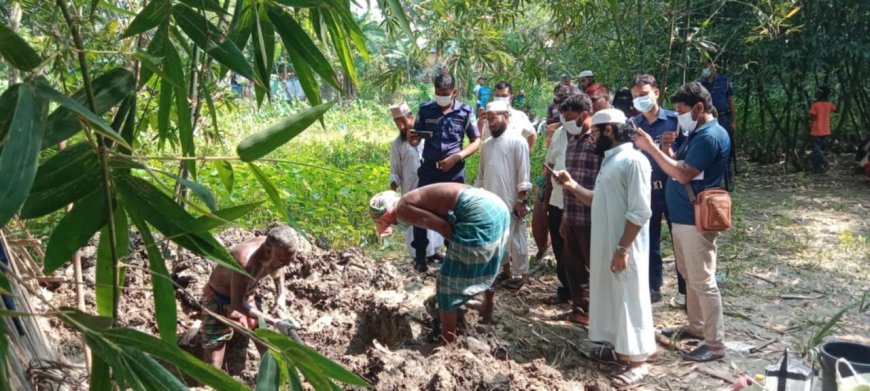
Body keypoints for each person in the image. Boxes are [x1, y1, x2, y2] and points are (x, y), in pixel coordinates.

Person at [553, 110, 655, 389]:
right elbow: (598, 200)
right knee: (611, 296)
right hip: (609, 246)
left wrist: (622, 249)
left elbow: (640, 211)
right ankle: (616, 346)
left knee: (629, 298)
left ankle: (638, 362)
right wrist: (571, 185)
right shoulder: (611, 162)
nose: (592, 139)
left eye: (595, 134)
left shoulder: (634, 161)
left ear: (608, 130)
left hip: (625, 247)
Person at [634, 82, 731, 362]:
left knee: (703, 280)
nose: (678, 116)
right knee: (690, 275)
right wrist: (667, 150)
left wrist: (652, 149)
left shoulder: (709, 136)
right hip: (683, 216)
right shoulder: (696, 133)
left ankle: (715, 344)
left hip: (694, 218)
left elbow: (685, 174)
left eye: (682, 111)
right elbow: (682, 164)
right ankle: (697, 326)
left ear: (699, 108)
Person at [369, 184, 510, 344]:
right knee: (490, 262)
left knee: (446, 284)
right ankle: (487, 308)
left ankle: (448, 341)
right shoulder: (411, 199)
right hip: (496, 207)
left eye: (388, 222)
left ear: (386, 215)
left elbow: (443, 227)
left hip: (478, 213)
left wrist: (456, 251)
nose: (393, 224)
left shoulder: (402, 209)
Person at [201, 224, 310, 369]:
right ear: (268, 251)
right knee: (214, 363)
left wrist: (281, 297)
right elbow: (237, 304)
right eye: (284, 260)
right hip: (218, 300)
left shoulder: (275, 249)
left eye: (290, 259)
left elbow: (278, 270)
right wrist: (274, 321)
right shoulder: (244, 261)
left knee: (267, 346)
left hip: (247, 296)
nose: (287, 264)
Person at [411, 72, 481, 272]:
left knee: (455, 213)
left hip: (454, 172)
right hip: (429, 170)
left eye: (445, 93)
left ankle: (454, 255)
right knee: (420, 210)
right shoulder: (425, 110)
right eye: (438, 93)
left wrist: (457, 157)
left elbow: (476, 141)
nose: (441, 96)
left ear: (454, 92)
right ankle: (420, 257)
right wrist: (413, 139)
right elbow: (416, 138)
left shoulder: (465, 112)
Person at [630, 74, 687, 305]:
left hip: (673, 189)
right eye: (635, 97)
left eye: (643, 95)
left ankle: (686, 290)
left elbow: (686, 158)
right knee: (649, 241)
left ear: (656, 92)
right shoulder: (633, 125)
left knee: (680, 240)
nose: (639, 100)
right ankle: (653, 287)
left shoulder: (676, 121)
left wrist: (667, 148)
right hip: (646, 190)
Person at [477, 100, 532, 292]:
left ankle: (524, 278)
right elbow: (481, 176)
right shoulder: (487, 145)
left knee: (517, 240)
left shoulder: (518, 141)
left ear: (506, 117)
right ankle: (505, 272)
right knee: (496, 239)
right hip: (491, 201)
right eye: (488, 119)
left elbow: (523, 175)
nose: (491, 123)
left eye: (494, 118)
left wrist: (520, 200)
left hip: (511, 201)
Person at [554, 92, 598, 325]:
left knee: (595, 270)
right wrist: (564, 218)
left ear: (584, 115)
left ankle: (598, 316)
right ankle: (580, 311)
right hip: (571, 216)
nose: (568, 124)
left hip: (592, 218)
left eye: (571, 118)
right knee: (575, 269)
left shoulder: (598, 142)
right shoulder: (572, 142)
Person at [388, 103, 445, 263]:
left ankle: (433, 252)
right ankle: (418, 256)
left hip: (430, 187)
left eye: (403, 121)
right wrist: (392, 193)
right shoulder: (397, 144)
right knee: (415, 221)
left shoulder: (426, 136)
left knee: (432, 217)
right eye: (397, 122)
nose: (401, 126)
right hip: (410, 190)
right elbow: (395, 171)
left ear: (411, 117)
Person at [699, 60, 737, 189]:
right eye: (703, 67)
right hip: (707, 119)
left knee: (727, 147)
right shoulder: (700, 84)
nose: (705, 69)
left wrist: (734, 120)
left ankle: (729, 177)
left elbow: (731, 101)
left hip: (723, 117)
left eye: (706, 66)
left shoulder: (724, 81)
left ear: (712, 65)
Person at [480, 81, 537, 151]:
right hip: (492, 158)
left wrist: (526, 153)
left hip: (512, 159)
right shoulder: (487, 116)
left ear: (511, 97)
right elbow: (479, 136)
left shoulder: (519, 116)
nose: (500, 98)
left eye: (504, 96)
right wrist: (481, 121)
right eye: (497, 96)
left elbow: (532, 134)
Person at [808, 86, 837, 173]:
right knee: (821, 150)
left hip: (816, 131)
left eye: (818, 92)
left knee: (816, 150)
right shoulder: (829, 105)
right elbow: (836, 109)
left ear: (820, 94)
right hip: (826, 131)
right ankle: (819, 169)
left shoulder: (815, 105)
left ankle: (824, 162)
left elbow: (812, 117)